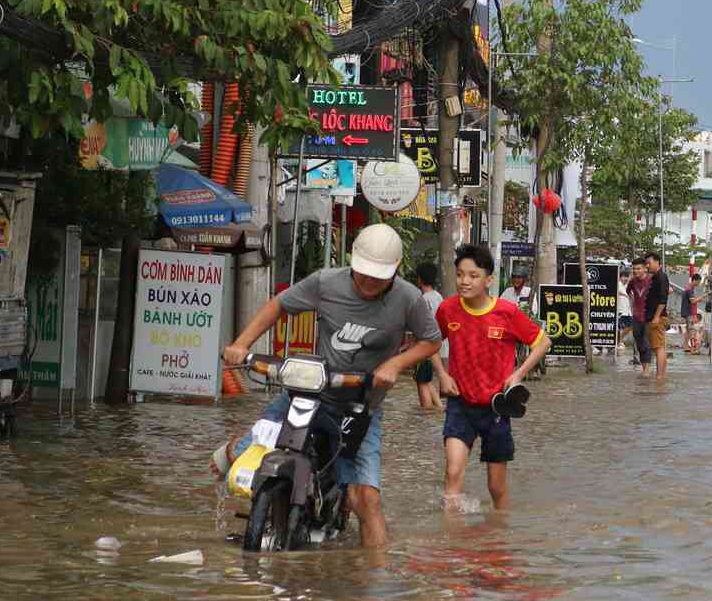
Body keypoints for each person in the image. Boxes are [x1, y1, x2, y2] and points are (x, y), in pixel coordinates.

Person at [222, 223, 441, 549]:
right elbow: (279, 305)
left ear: (395, 272)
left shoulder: (410, 299)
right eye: (362, 273)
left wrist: (394, 364)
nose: (368, 282)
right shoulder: (326, 282)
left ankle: (372, 586)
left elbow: (431, 341)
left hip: (360, 406)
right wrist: (241, 344)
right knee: (233, 461)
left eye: (378, 277)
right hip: (308, 393)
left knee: (366, 499)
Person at [432, 243, 550, 509]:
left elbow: (543, 342)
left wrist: (518, 374)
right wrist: (441, 373)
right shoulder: (448, 309)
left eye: (473, 275)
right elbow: (429, 342)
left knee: (496, 488)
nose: (465, 281)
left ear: (489, 279)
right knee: (452, 473)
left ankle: (499, 538)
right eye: (460, 274)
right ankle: (451, 541)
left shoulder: (506, 313)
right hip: (460, 404)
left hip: (497, 407)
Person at [410, 262, 446, 411]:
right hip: (439, 344)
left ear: (419, 279)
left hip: (425, 345)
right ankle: (439, 407)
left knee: (421, 381)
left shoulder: (423, 299)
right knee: (427, 379)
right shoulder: (438, 297)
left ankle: (426, 410)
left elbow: (421, 325)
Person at [642, 252, 670, 384]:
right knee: (659, 347)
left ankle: (659, 377)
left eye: (649, 263)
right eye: (646, 263)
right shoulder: (655, 277)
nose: (647, 266)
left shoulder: (661, 277)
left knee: (658, 347)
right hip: (654, 316)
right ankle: (661, 376)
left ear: (658, 262)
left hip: (657, 317)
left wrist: (656, 317)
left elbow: (663, 299)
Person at [680, 273, 702, 354]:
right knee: (690, 329)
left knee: (688, 330)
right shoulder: (689, 289)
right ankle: (687, 346)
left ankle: (686, 345)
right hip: (688, 311)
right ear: (695, 280)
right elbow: (692, 301)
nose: (699, 284)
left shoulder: (689, 287)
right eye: (699, 282)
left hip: (688, 311)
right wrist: (701, 298)